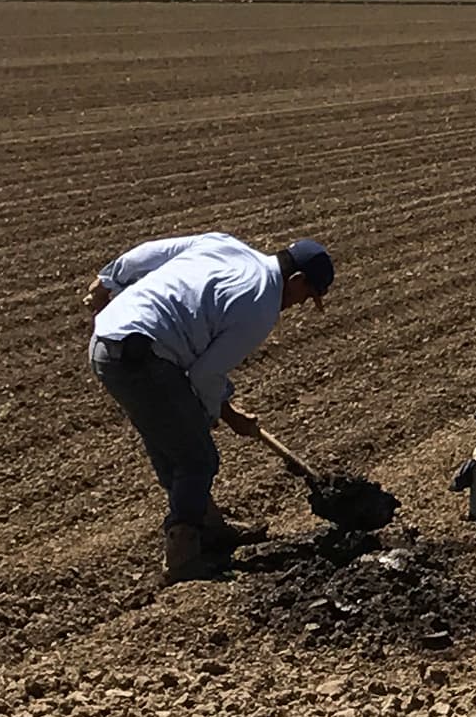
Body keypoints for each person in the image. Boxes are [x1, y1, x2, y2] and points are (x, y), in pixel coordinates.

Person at [87, 232, 335, 579]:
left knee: (173, 445)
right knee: (196, 457)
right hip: (142, 359)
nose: (298, 305)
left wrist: (109, 279)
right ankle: (184, 555)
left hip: (107, 344)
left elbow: (148, 253)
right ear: (296, 280)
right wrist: (212, 411)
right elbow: (204, 374)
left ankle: (210, 526)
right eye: (305, 297)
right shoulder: (260, 306)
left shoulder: (224, 244)